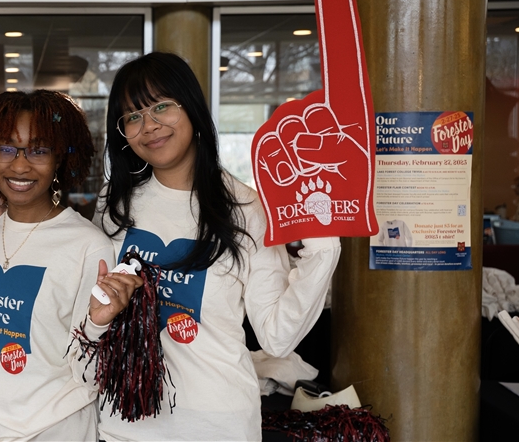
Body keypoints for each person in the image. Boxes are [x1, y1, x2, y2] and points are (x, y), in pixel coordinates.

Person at [93, 52, 341, 441]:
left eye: (161, 106)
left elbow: (277, 337)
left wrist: (323, 251)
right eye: (133, 116)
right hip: (123, 423)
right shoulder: (115, 203)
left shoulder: (247, 208)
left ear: (191, 107)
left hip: (215, 423)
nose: (150, 126)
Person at [0, 90, 139, 440]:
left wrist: (98, 326)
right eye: (6, 148)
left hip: (56, 428)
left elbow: (93, 372)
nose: (20, 165)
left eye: (39, 150)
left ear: (60, 159)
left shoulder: (88, 246)